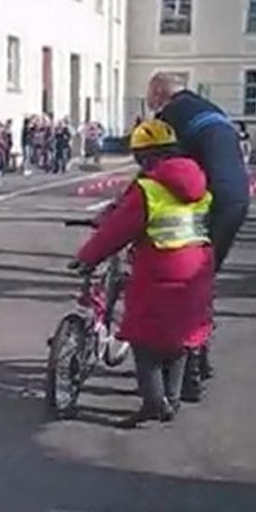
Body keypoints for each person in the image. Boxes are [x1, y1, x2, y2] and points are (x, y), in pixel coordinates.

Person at [74, 120, 214, 428]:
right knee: (181, 336)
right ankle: (171, 401)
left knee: (143, 338)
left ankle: (153, 403)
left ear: (144, 157)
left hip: (159, 268)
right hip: (198, 266)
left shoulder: (149, 188)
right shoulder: (198, 183)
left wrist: (87, 257)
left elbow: (118, 230)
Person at [147, 72, 251, 396]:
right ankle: (199, 358)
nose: (149, 101)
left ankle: (186, 368)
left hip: (212, 200)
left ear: (160, 92)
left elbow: (158, 166)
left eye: (150, 94)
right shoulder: (209, 108)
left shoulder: (170, 116)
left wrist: (128, 206)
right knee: (202, 279)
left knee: (181, 280)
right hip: (236, 197)